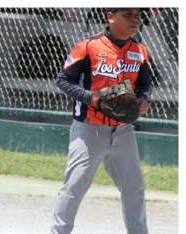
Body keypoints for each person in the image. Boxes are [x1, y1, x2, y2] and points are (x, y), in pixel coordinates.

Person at [51, 8, 151, 234]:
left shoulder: (139, 50)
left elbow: (145, 84)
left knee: (134, 189)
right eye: (128, 14)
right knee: (74, 187)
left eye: (137, 15)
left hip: (123, 130)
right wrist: (91, 98)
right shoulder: (88, 46)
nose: (135, 20)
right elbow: (64, 80)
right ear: (110, 16)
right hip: (89, 128)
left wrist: (144, 99)